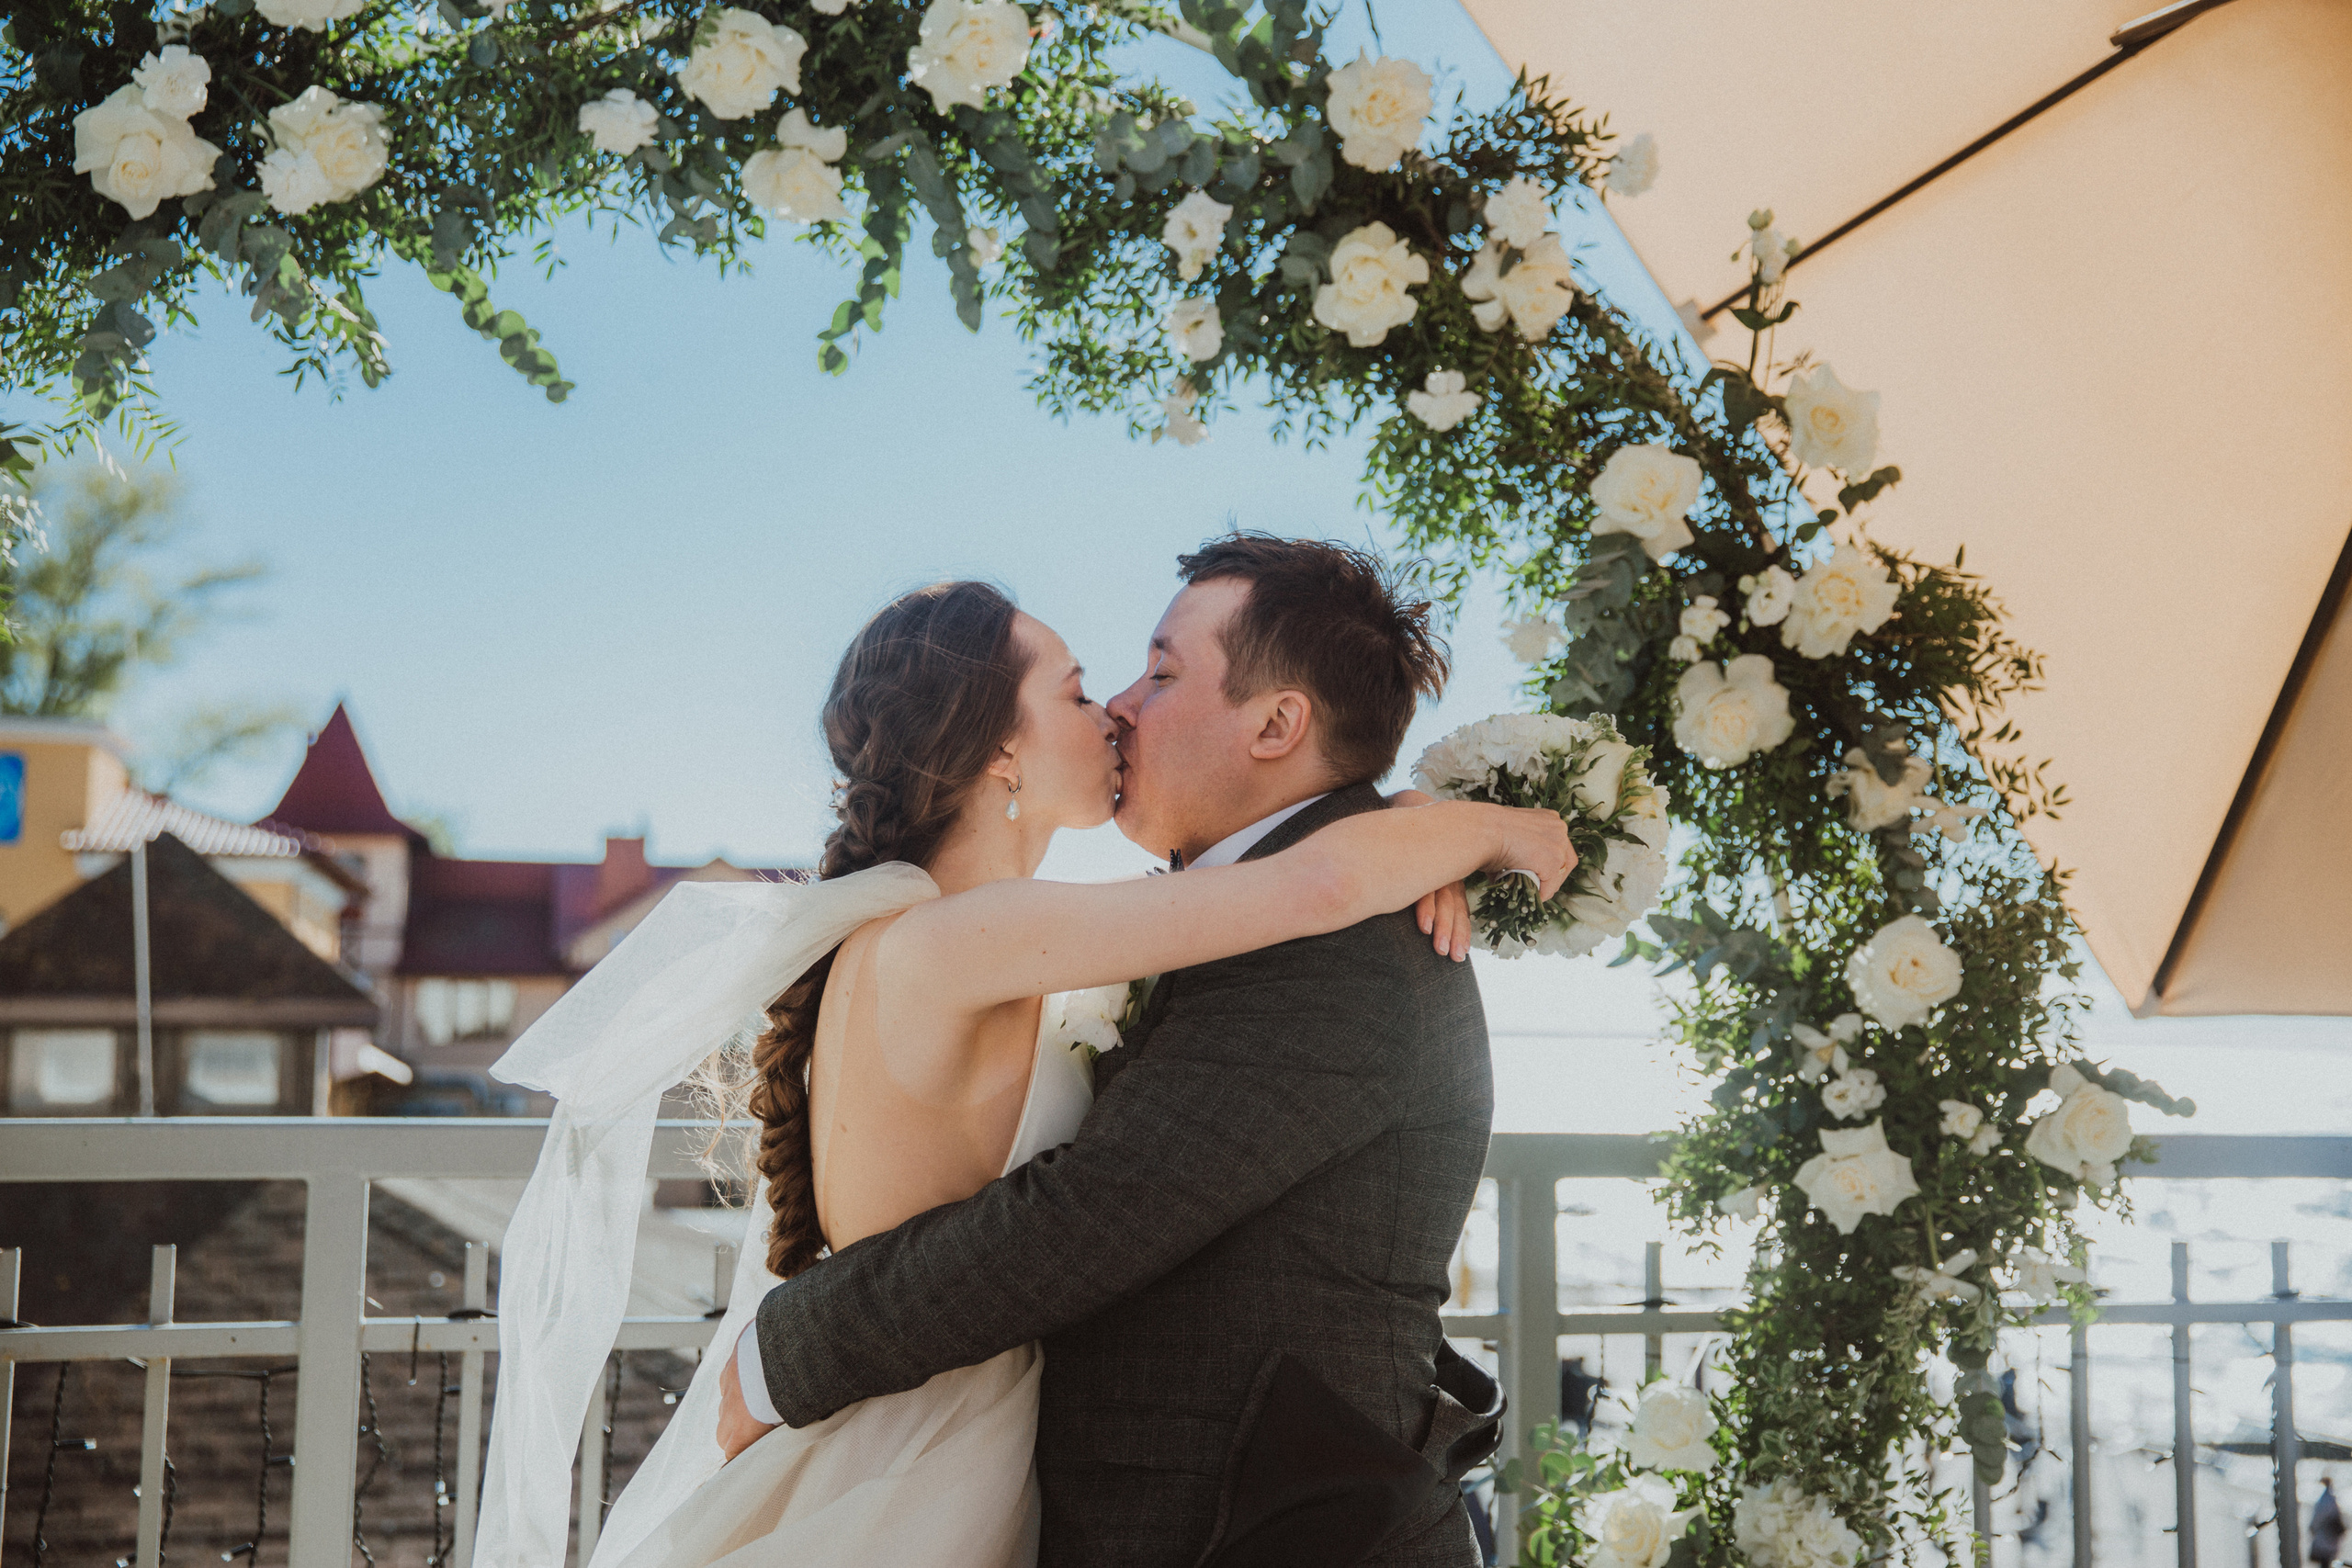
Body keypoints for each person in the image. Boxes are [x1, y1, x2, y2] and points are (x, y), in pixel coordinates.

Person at [469, 547, 1570, 1568]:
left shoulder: (1306, 946)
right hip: (938, 1463)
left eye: (1154, 674)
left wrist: (1411, 828)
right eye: (1085, 691)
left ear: (1279, 723)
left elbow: (1095, 1209)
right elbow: (1305, 888)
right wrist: (1462, 829)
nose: (1119, 710)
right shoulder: (981, 936)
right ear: (1000, 749)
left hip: (1246, 1523)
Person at [2313, 1475, 2343, 1566]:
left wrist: (2313, 1527)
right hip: (2330, 1536)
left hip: (2325, 1535)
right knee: (2328, 1560)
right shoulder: (2332, 1500)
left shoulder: (2324, 1500)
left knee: (2325, 1561)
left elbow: (2319, 1516)